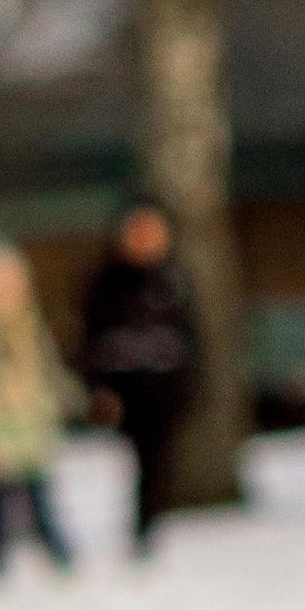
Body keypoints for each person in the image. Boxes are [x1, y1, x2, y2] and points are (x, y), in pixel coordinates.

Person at [0, 239, 78, 577]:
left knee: (39, 494)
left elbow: (47, 371)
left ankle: (57, 551)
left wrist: (71, 399)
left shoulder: (29, 328)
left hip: (31, 427)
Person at [79, 197, 199, 552]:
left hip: (164, 390)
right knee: (137, 461)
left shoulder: (173, 280)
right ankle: (142, 526)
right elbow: (91, 342)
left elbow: (192, 338)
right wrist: (99, 389)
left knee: (157, 462)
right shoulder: (105, 284)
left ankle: (150, 524)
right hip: (126, 391)